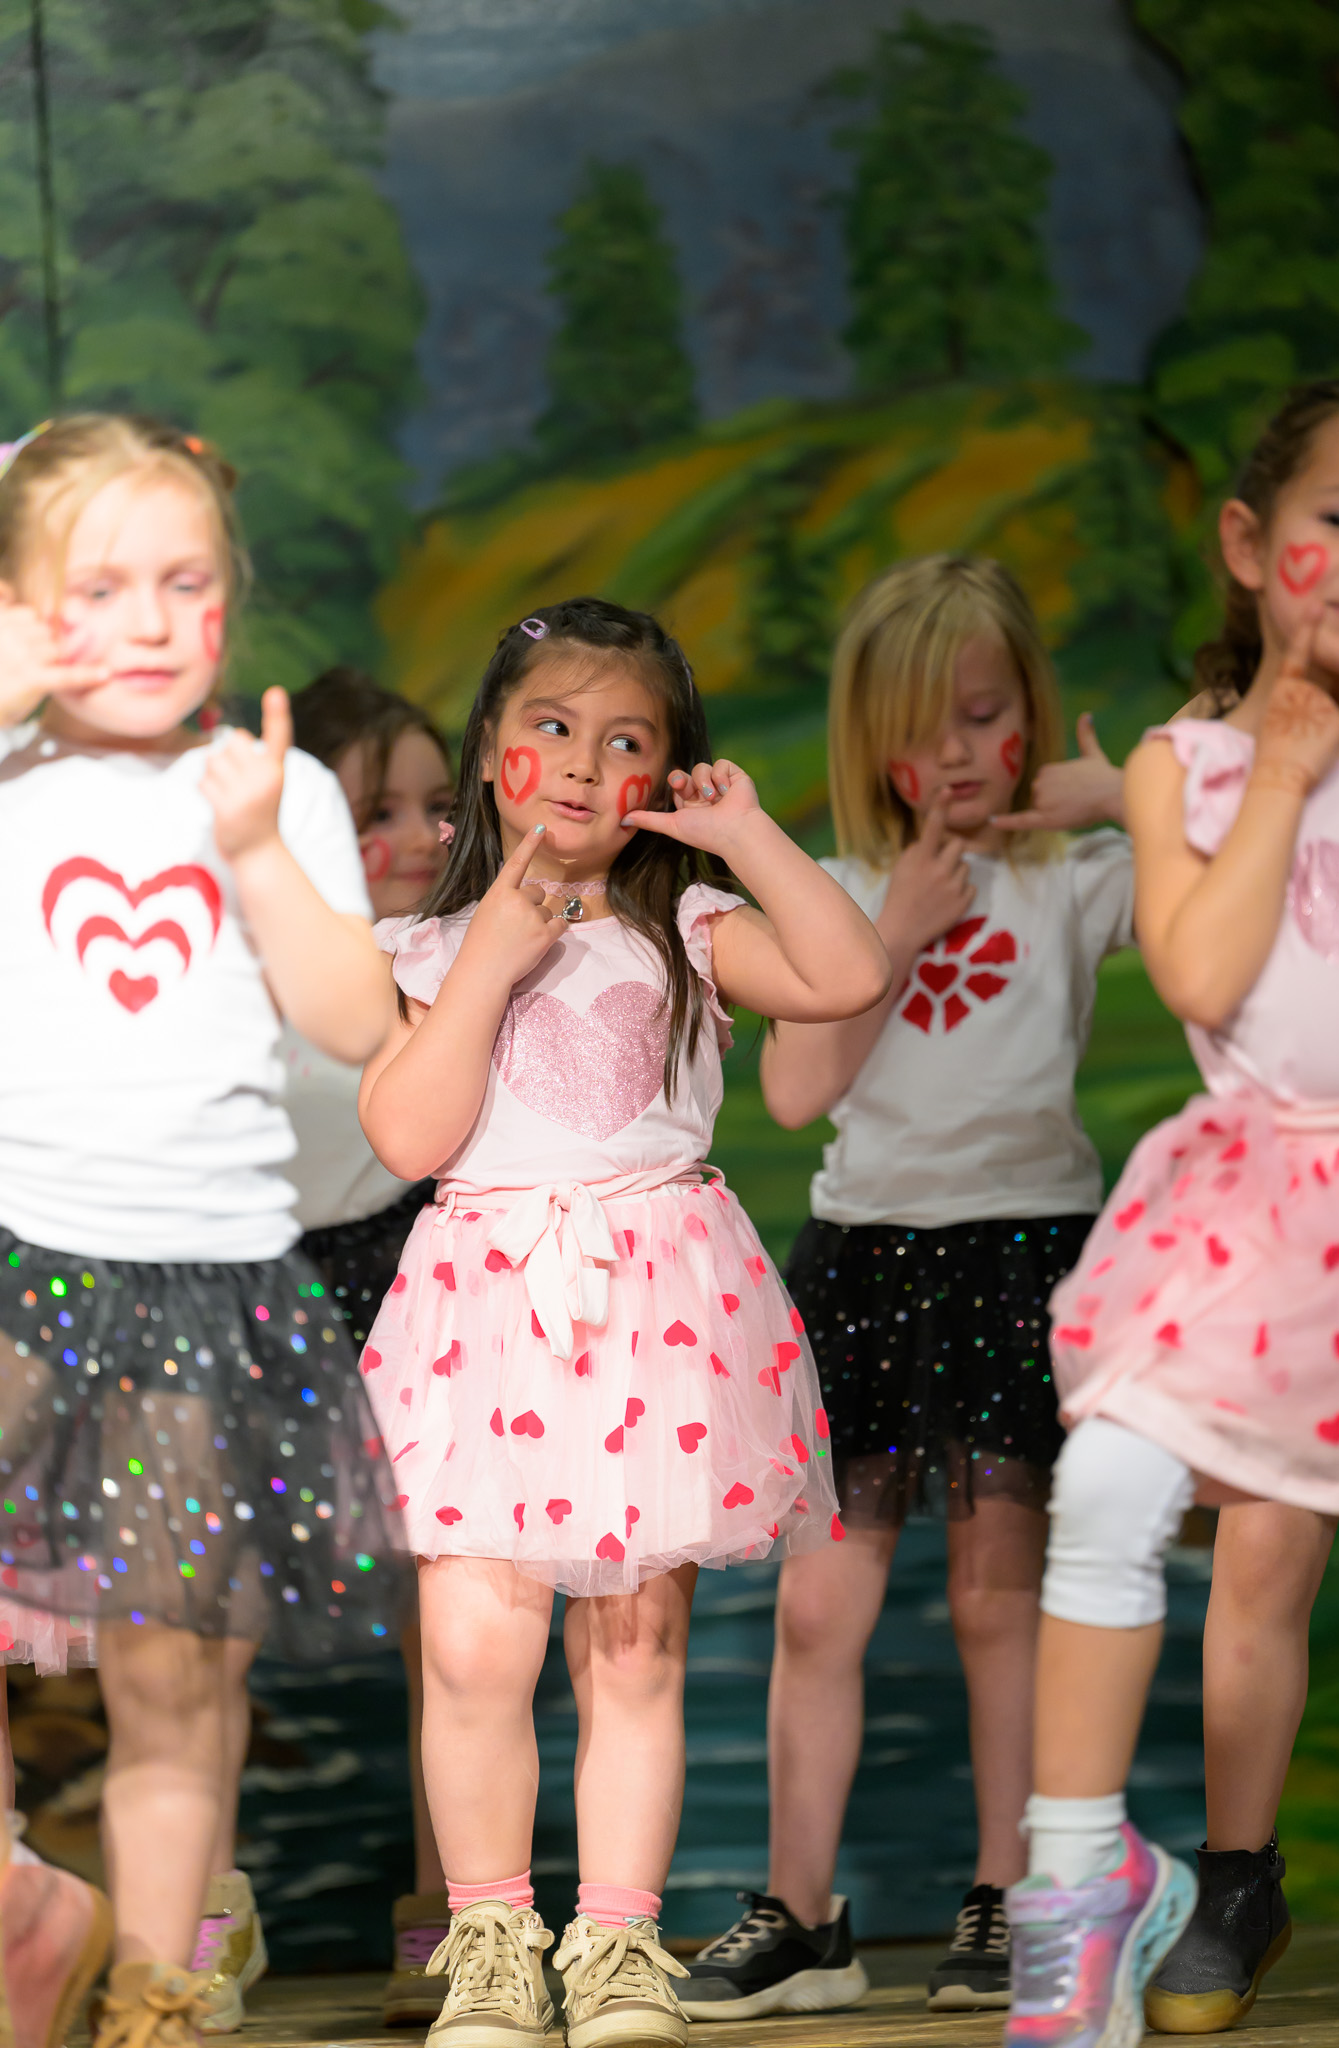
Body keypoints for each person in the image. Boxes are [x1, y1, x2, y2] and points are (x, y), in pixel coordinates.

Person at [356, 596, 890, 2048]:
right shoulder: (426, 947)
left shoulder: (691, 928)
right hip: (486, 1321)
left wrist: (747, 837)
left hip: (651, 1318)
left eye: (626, 740)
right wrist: (490, 955)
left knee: (636, 1650)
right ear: (490, 752)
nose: (587, 764)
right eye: (553, 728)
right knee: (474, 1650)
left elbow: (848, 975)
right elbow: (407, 1135)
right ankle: (488, 1946)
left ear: (667, 772)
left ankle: (616, 1949)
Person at [678, 555, 1133, 2022]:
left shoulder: (1076, 877)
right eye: (924, 726)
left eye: (985, 716)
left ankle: (1006, 1892)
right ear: (872, 741)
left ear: (1029, 715)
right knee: (821, 1610)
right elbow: (797, 1090)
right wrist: (901, 933)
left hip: (1022, 1250)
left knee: (1001, 1602)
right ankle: (801, 1912)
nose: (957, 753)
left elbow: (1220, 905)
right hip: (868, 1257)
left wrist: (1132, 798)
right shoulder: (844, 892)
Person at [0, 413, 402, 2048]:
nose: (152, 623)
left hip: (203, 1295)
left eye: (185, 583)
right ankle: (27, 1905)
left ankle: (156, 1993)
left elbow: (357, 1022)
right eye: (98, 589)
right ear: (16, 605)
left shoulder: (276, 789)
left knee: (170, 1678)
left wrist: (253, 854)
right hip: (19, 1267)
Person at [1004, 376, 1339, 2048]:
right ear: (1246, 541)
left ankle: (1228, 1869)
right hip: (1260, 1210)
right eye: (1335, 519)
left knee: (1279, 1558)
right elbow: (1207, 975)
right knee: (1107, 1482)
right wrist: (1281, 774)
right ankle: (1075, 1889)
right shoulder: (1186, 771)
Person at [287, 666, 455, 2026]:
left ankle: (450, 1909)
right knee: (197, 1616)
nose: (411, 837)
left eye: (436, 806)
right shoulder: (252, 956)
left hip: (417, 1265)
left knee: (442, 1609)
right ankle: (199, 1917)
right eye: (369, 813)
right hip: (255, 1279)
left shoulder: (465, 957)